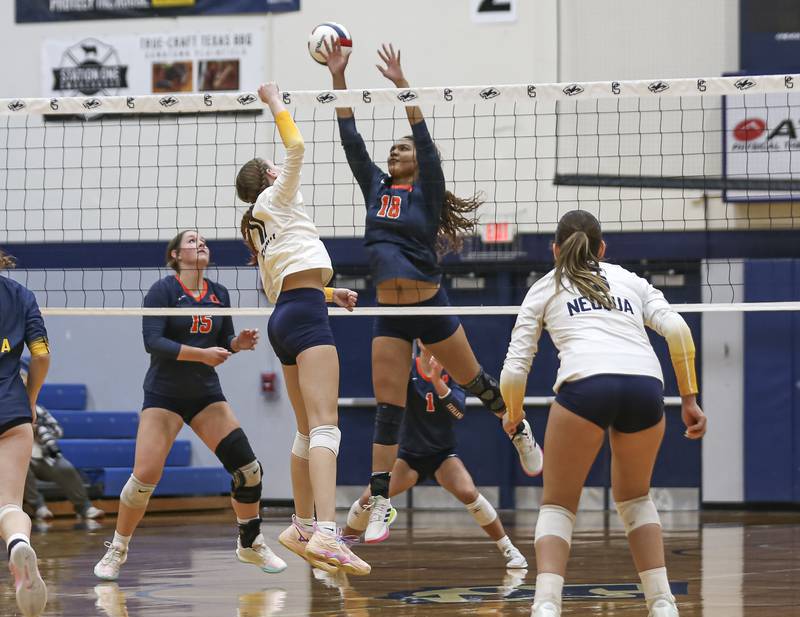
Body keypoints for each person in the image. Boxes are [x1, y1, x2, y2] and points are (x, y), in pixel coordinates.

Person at [323, 39, 543, 543]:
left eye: (402, 149)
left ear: (418, 163)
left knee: (479, 384)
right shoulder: (376, 188)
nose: (395, 151)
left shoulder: (427, 187)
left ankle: (519, 429)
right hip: (390, 313)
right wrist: (339, 76)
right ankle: (379, 502)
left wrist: (403, 86)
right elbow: (349, 136)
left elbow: (422, 136)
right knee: (388, 411)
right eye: (393, 148)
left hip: (429, 304)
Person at [499, 210, 707, 617]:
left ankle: (545, 612)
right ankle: (664, 607)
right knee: (635, 498)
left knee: (558, 505)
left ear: (555, 249)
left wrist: (514, 413)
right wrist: (688, 399)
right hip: (645, 387)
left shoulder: (544, 287)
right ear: (602, 249)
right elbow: (680, 331)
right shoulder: (630, 280)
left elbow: (514, 371)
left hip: (586, 386)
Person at [93, 230, 286, 581]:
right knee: (145, 477)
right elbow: (154, 342)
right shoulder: (163, 291)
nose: (201, 245)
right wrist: (203, 355)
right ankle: (118, 548)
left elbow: (222, 340)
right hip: (164, 396)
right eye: (192, 241)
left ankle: (250, 540)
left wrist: (237, 343)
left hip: (204, 395)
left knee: (248, 469)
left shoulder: (219, 293)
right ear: (175, 254)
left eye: (204, 241)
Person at [236, 82, 370, 576]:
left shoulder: (257, 223)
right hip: (306, 317)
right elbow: (297, 145)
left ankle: (300, 526)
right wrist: (274, 100)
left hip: (288, 315)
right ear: (268, 176)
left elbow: (285, 284)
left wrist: (333, 295)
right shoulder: (278, 193)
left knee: (303, 428)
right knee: (326, 425)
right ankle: (328, 535)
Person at [345, 341, 529, 570]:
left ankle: (509, 549)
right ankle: (341, 548)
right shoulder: (407, 369)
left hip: (442, 455)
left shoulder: (452, 370)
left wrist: (437, 382)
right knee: (368, 499)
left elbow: (459, 412)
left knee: (469, 493)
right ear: (418, 342)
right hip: (409, 456)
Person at [0, 248, 50, 617]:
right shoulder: (21, 296)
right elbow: (42, 356)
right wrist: (30, 401)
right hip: (12, 410)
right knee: (9, 506)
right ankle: (18, 542)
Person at [19, 358, 105, 522]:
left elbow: (58, 430)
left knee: (65, 467)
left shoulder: (38, 409)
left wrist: (41, 431)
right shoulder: (6, 411)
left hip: (43, 454)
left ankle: (84, 507)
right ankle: (39, 507)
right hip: (21, 456)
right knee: (22, 469)